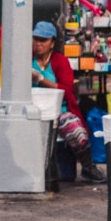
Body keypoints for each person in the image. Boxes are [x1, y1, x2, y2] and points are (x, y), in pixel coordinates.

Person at [34, 21, 100, 182]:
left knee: (78, 133)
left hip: (58, 111)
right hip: (32, 111)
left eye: (43, 40)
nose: (38, 43)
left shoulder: (60, 61)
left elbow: (66, 89)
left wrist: (41, 79)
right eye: (35, 39)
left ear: (52, 43)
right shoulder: (26, 61)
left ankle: (88, 166)